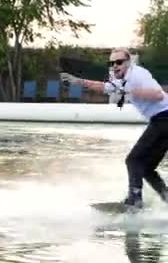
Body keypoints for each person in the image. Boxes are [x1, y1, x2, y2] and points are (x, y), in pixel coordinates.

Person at [60, 48, 168, 208]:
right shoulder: (119, 79)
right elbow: (105, 87)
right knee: (145, 168)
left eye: (119, 62)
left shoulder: (138, 74)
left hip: (164, 118)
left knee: (133, 160)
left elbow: (158, 95)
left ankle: (135, 200)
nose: (115, 66)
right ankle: (166, 197)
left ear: (128, 63)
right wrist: (79, 82)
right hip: (161, 120)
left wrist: (129, 91)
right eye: (111, 63)